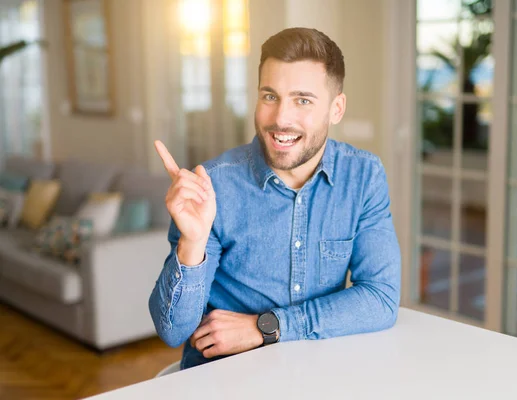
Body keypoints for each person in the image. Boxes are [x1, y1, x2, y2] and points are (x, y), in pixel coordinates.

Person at [149, 27, 401, 370]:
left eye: (303, 100)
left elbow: (381, 298)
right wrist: (192, 244)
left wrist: (266, 327)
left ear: (336, 108)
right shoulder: (214, 184)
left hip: (320, 373)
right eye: (270, 96)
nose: (281, 118)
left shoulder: (363, 176)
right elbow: (172, 331)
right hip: (225, 381)